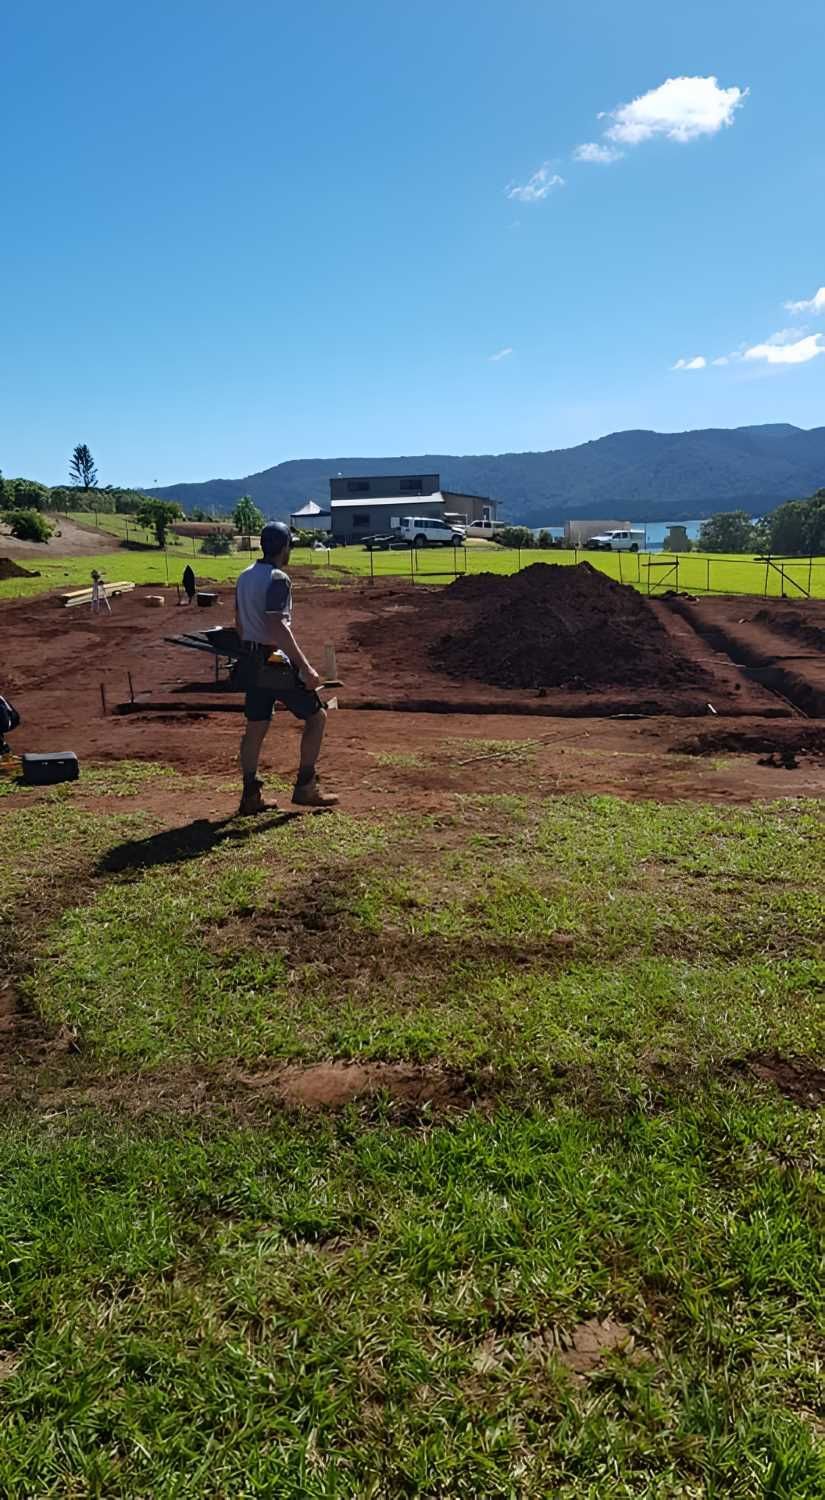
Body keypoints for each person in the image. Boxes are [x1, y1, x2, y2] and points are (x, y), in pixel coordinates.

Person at [234, 521, 338, 814]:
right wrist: (305, 668)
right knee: (316, 718)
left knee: (255, 727)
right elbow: (276, 623)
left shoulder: (244, 577)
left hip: (251, 660)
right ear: (284, 548)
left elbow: (240, 624)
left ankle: (250, 795)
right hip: (273, 661)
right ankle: (306, 786)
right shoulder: (278, 578)